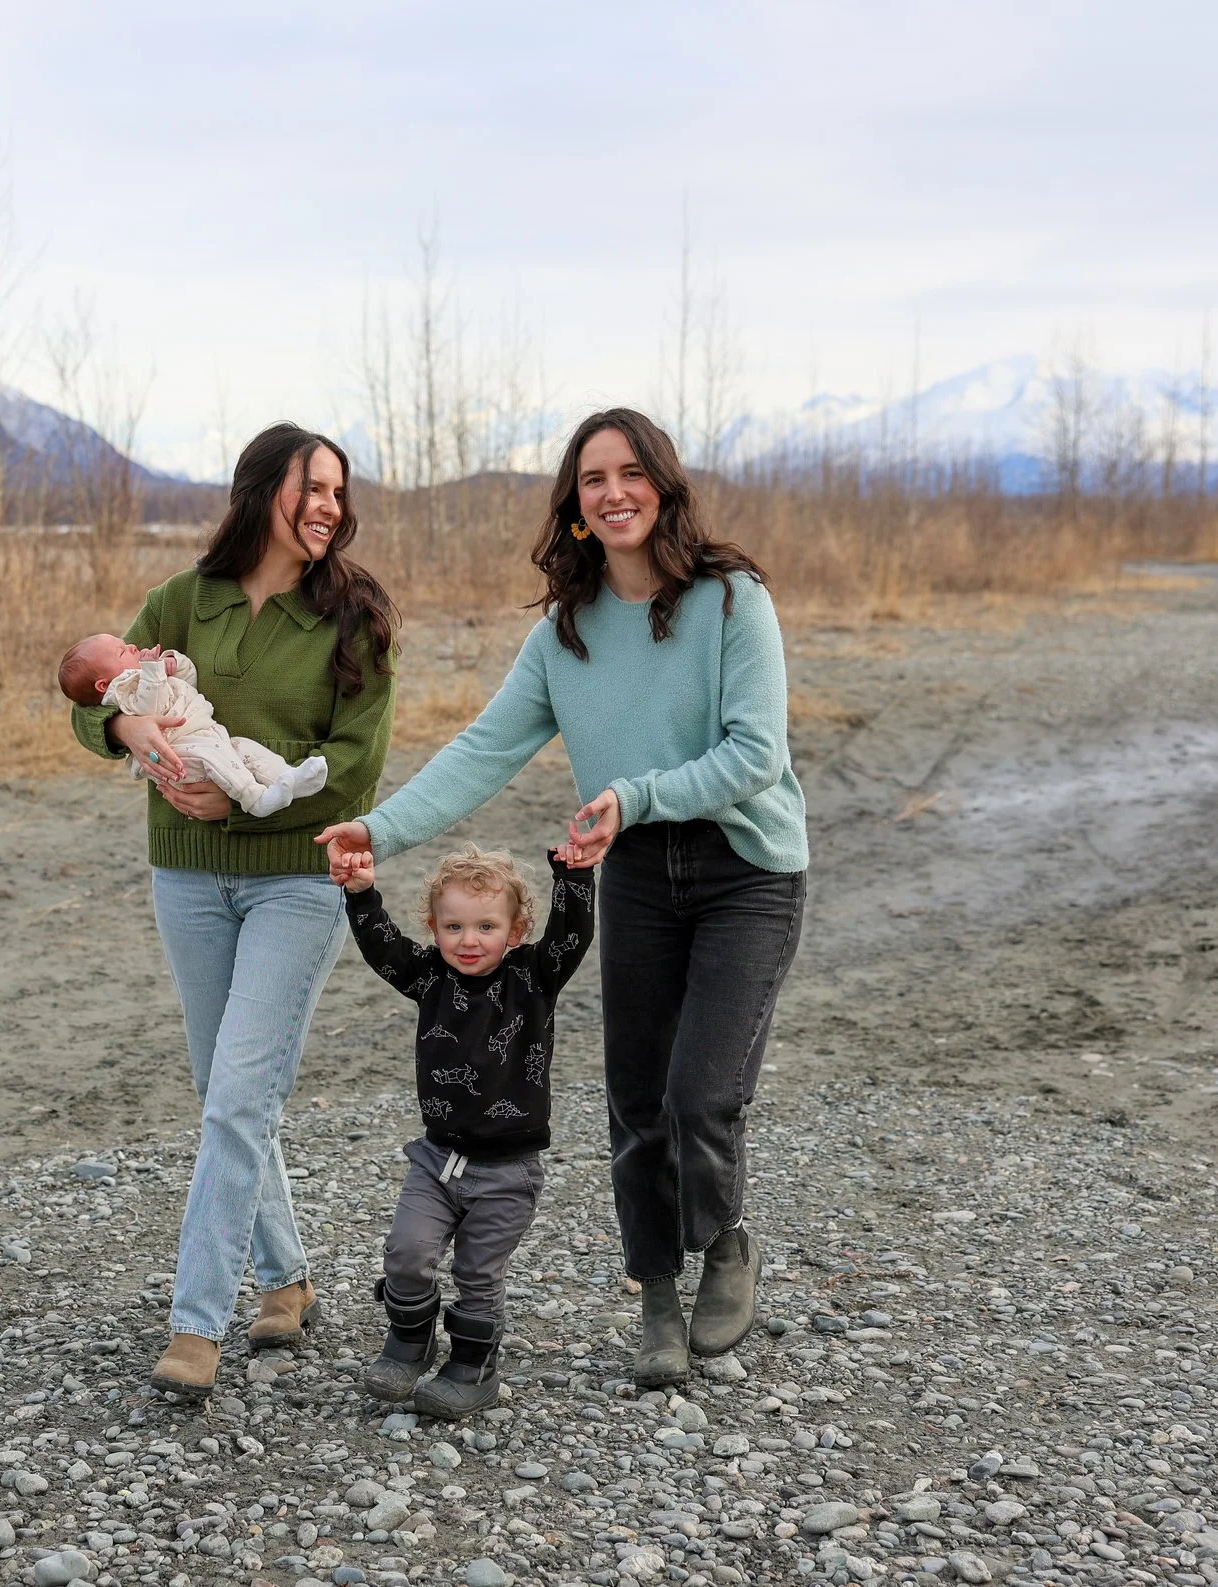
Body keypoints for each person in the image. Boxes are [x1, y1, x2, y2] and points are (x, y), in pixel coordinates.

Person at [317, 406, 807, 1388]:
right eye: (592, 478)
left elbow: (756, 756)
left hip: (743, 871)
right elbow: (481, 751)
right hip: (633, 874)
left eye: (631, 473)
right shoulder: (565, 632)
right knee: (635, 1100)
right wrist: (381, 828)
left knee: (699, 1093)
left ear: (662, 487)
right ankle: (657, 1294)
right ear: (574, 504)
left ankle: (724, 1242)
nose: (613, 491)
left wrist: (635, 794)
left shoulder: (730, 600)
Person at [68, 422, 397, 1399]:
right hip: (186, 877)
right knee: (225, 1091)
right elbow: (95, 698)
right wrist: (124, 722)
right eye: (312, 486)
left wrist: (249, 792)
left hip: (296, 878)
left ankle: (195, 1323)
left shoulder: (354, 614)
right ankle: (288, 1278)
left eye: (340, 489)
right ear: (262, 491)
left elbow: (357, 760)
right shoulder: (183, 600)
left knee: (239, 1097)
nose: (329, 505)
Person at [333, 843, 594, 1417]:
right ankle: (408, 1341)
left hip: (508, 1172)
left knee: (478, 1273)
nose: (468, 940)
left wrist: (574, 876)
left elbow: (572, 935)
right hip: (437, 1159)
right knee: (405, 1252)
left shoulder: (535, 977)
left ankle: (474, 1366)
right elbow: (384, 950)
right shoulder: (429, 977)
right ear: (434, 927)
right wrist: (360, 894)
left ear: (517, 930)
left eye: (485, 926)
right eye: (453, 926)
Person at [58, 636, 331, 818]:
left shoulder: (142, 672)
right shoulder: (123, 690)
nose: (131, 647)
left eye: (126, 644)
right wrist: (125, 726)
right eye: (122, 651)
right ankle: (254, 799)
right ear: (103, 685)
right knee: (214, 755)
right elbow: (149, 707)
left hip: (205, 736)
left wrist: (173, 664)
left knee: (245, 750)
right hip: (180, 754)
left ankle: (289, 778)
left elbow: (188, 681)